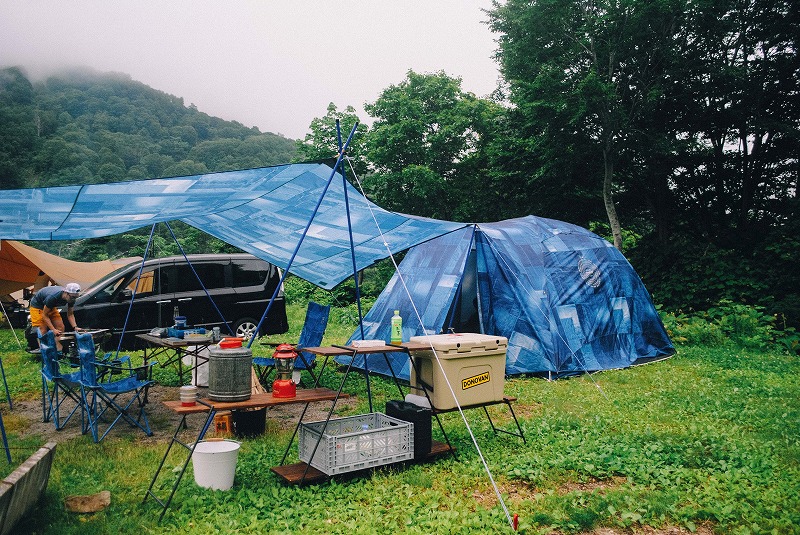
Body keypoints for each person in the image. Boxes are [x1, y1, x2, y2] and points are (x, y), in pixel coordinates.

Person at [30, 282, 82, 351]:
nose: (73, 299)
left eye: (76, 297)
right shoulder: (53, 297)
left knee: (60, 327)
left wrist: (75, 327)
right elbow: (44, 315)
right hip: (38, 306)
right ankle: (44, 352)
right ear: (66, 293)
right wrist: (53, 329)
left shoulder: (71, 298)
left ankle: (58, 351)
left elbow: (70, 314)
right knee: (42, 329)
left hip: (50, 306)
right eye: (72, 297)